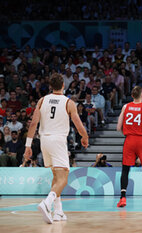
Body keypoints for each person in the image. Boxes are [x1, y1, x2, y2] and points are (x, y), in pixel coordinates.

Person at [24, 73, 89, 224]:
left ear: (51, 86)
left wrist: (28, 145)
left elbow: (33, 124)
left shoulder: (42, 100)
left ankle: (58, 212)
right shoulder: (68, 102)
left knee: (56, 176)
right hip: (58, 140)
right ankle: (47, 202)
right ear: (63, 86)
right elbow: (78, 124)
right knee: (64, 178)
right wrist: (85, 137)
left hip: (44, 141)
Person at [116, 86, 142, 207]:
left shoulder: (125, 107)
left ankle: (123, 198)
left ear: (132, 95)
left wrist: (128, 131)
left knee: (125, 170)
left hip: (129, 140)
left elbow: (118, 127)